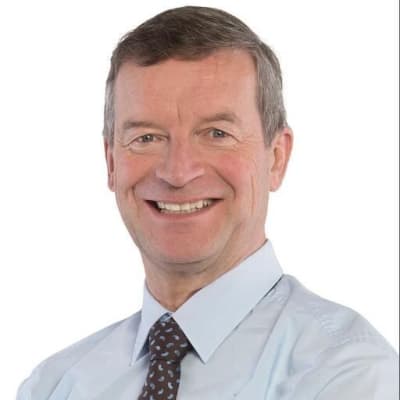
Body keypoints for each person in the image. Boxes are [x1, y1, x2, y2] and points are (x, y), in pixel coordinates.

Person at [17, 6, 398, 400]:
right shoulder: (53, 386)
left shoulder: (348, 374)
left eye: (216, 133)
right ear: (111, 163)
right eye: (146, 138)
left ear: (276, 158)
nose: (177, 172)